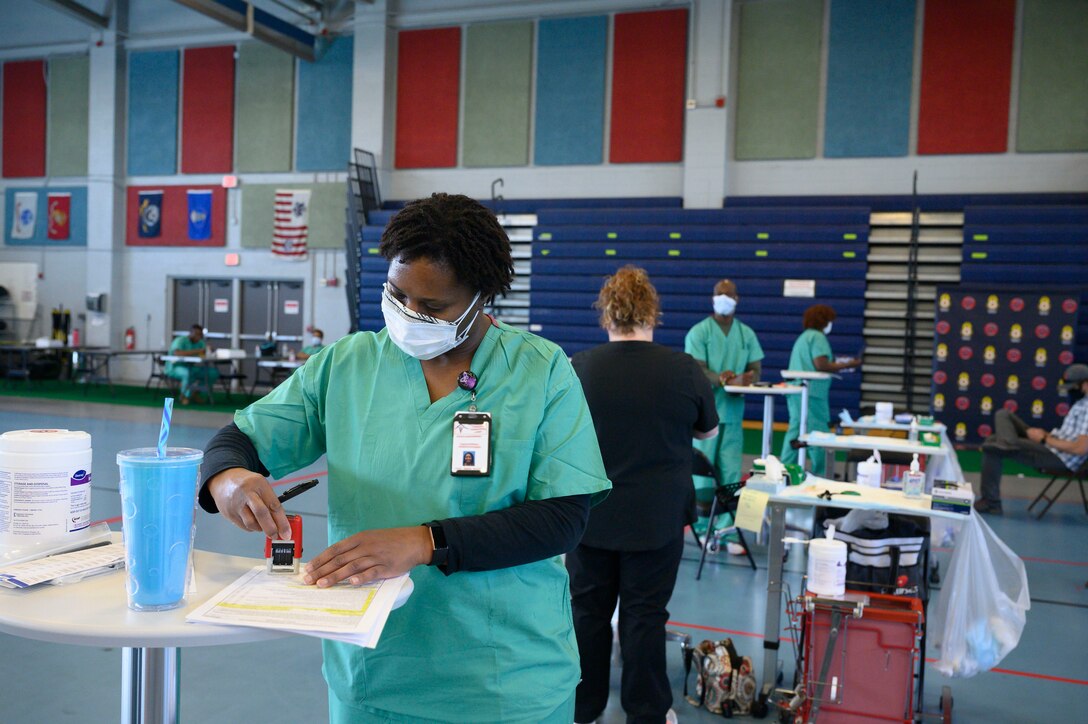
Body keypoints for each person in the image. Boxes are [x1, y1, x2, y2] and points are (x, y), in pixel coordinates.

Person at [197, 193, 610, 724]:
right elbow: (239, 438)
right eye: (397, 295)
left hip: (504, 681)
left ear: (481, 298)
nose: (410, 315)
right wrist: (229, 480)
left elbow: (562, 519)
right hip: (375, 675)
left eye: (433, 307)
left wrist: (425, 541)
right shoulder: (349, 365)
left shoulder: (540, 371)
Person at [569, 265, 719, 724]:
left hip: (590, 518)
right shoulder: (683, 369)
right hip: (656, 519)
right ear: (652, 312)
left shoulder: (578, 368)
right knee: (645, 616)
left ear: (606, 316)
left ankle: (582, 708)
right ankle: (647, 711)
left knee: (588, 616)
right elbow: (708, 432)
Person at [975, 363, 1088, 514]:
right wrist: (1045, 435)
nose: (1071, 391)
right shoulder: (1081, 404)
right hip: (1051, 445)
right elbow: (1067, 435)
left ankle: (991, 502)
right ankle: (1007, 443)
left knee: (991, 447)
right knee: (1003, 414)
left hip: (1059, 458)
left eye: (1074, 387)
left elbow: (1080, 449)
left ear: (1085, 384)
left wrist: (1044, 440)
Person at [684, 279, 764, 489]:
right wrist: (725, 379)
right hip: (705, 413)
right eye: (719, 294)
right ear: (712, 299)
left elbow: (756, 369)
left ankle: (726, 520)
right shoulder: (700, 332)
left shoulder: (746, 334)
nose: (723, 299)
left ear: (736, 299)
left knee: (731, 470)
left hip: (733, 413)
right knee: (702, 471)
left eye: (728, 295)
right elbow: (697, 369)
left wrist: (747, 380)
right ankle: (701, 522)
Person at [779, 304, 860, 476]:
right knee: (818, 434)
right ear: (824, 321)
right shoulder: (817, 337)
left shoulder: (804, 337)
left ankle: (784, 470)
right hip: (812, 394)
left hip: (796, 392)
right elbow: (821, 364)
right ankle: (821, 474)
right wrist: (849, 364)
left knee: (796, 430)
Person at [166, 323, 219, 405]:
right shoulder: (180, 340)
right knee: (187, 373)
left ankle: (195, 394)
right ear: (191, 333)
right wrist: (198, 351)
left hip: (191, 367)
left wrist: (209, 351)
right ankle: (184, 396)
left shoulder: (200, 343)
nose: (198, 337)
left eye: (200, 335)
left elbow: (204, 352)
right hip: (175, 367)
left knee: (212, 373)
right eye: (196, 334)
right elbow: (177, 353)